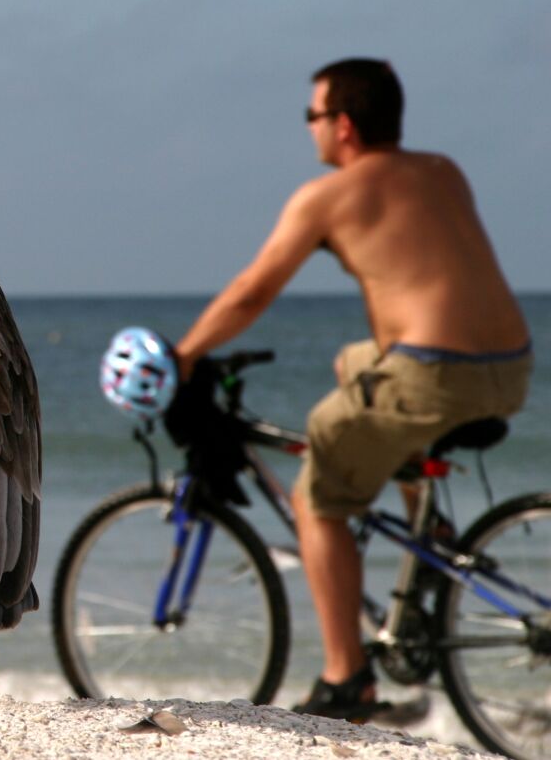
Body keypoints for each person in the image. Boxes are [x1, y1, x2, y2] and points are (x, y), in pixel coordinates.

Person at [174, 58, 532, 722]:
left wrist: (186, 353)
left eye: (311, 115)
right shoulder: (443, 170)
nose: (308, 128)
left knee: (317, 490)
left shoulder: (326, 197)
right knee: (353, 363)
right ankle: (429, 523)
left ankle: (346, 677)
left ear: (342, 124)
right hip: (508, 368)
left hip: (432, 374)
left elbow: (253, 291)